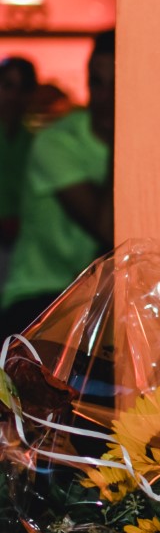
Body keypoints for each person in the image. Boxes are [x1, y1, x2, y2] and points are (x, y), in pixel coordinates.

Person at [0, 29, 115, 338]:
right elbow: (104, 228)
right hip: (40, 293)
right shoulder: (54, 142)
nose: (106, 96)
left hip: (87, 296)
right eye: (97, 83)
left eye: (117, 84)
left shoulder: (27, 138)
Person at [0, 56, 37, 291]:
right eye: (7, 86)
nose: (14, 96)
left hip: (20, 248)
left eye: (22, 89)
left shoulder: (34, 143)